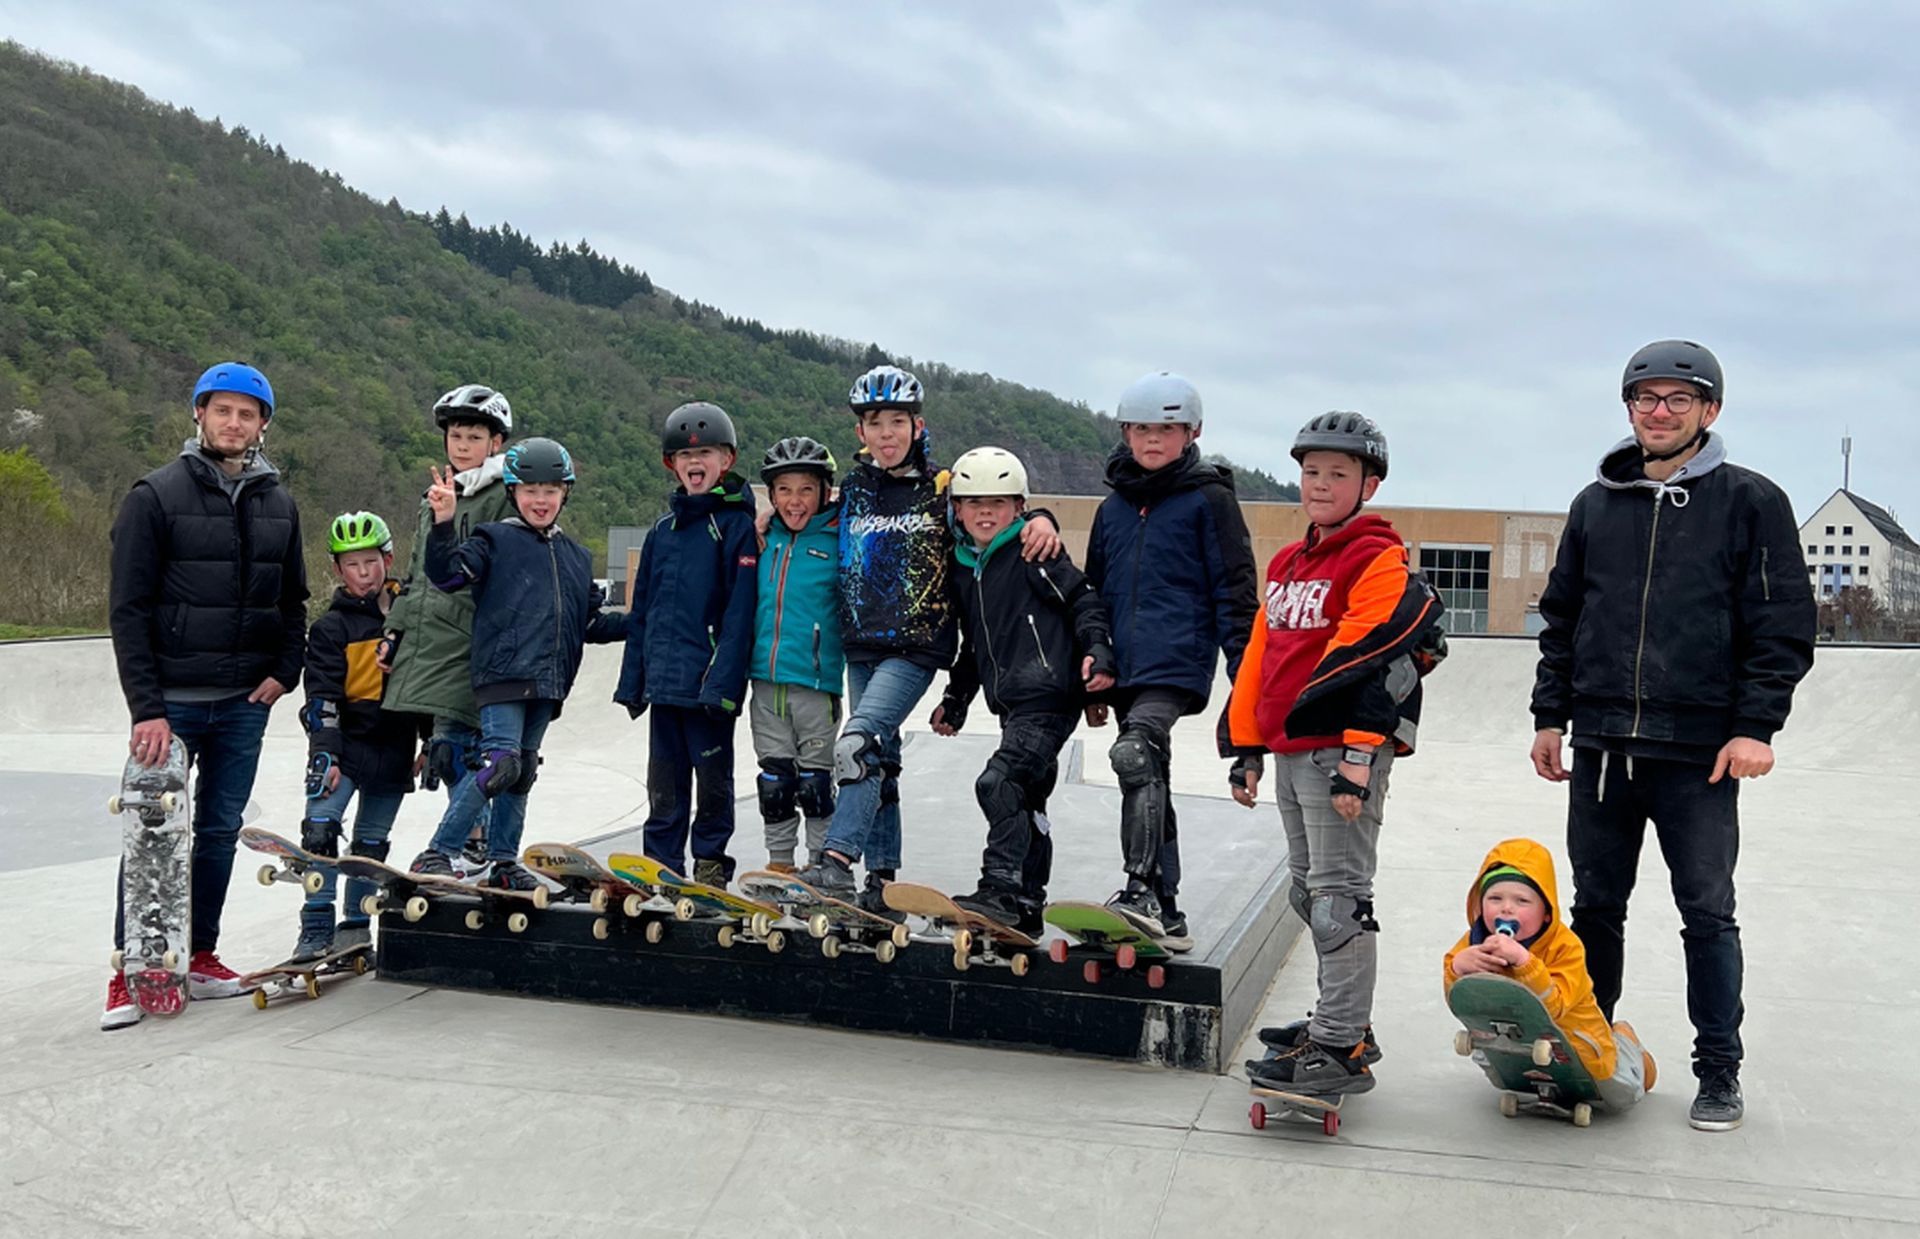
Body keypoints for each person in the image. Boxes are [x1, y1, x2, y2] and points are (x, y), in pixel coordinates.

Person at [1529, 339, 1815, 1132]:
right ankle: (1589, 1053)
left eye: (1677, 399)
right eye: (1646, 399)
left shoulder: (1751, 501)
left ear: (1709, 411)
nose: (1659, 412)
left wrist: (1755, 725)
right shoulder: (1596, 504)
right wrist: (1550, 715)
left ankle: (1718, 1072)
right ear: (1629, 409)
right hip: (1603, 747)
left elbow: (1782, 627)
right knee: (1595, 910)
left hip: (1699, 758)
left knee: (1707, 914)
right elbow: (1562, 620)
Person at [790, 365, 1061, 916]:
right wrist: (768, 517)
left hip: (917, 648)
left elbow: (993, 520)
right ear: (860, 433)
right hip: (861, 645)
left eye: (897, 421)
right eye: (874, 423)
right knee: (878, 764)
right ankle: (881, 880)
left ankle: (836, 864)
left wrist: (1043, 517)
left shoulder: (942, 490)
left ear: (918, 425)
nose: (885, 433)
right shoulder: (856, 489)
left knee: (856, 744)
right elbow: (801, 517)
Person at [1227, 411, 1444, 1095]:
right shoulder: (1289, 562)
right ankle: (1339, 1018)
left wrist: (1358, 756)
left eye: (1338, 474)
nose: (1320, 485)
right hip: (1291, 749)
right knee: (1307, 891)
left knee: (1339, 900)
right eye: (1311, 471)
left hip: (1339, 755)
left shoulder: (1377, 556)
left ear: (1368, 484)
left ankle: (1340, 1044)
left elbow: (1375, 658)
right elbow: (1264, 655)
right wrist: (1247, 745)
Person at [104, 361, 308, 1030]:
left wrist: (286, 669)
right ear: (199, 414)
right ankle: (131, 968)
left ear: (262, 425)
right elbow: (128, 608)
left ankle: (199, 955)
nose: (233, 422)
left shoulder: (280, 502)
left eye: (247, 414)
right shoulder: (154, 496)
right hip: (172, 703)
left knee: (219, 831)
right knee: (153, 835)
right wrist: (148, 706)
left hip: (243, 703)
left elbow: (294, 599)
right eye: (222, 410)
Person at [1082, 371, 1258, 950]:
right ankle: (1168, 906)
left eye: (1166, 429)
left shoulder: (1210, 500)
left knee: (1136, 753)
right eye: (1141, 429)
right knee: (1147, 771)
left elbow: (1236, 595)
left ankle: (1140, 889)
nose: (1152, 440)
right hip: (1122, 666)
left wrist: (1247, 693)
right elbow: (1094, 594)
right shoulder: (1112, 509)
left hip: (1177, 660)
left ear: (1192, 432)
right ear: (1125, 433)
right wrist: (1094, 670)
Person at [407, 437, 624, 886]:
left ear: (565, 493)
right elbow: (447, 575)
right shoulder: (494, 539)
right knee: (501, 764)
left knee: (521, 774)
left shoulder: (577, 558)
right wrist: (444, 523)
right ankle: (437, 852)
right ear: (512, 492)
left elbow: (591, 625)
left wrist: (648, 621)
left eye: (549, 490)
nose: (540, 500)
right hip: (503, 675)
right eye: (529, 490)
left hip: (549, 683)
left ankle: (504, 864)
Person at [930, 447, 1115, 933]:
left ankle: (1000, 889)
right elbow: (975, 643)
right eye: (973, 503)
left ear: (1019, 508)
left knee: (998, 782)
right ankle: (1028, 905)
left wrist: (1098, 653)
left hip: (1049, 695)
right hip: (1013, 704)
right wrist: (956, 699)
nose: (985, 513)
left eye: (998, 503)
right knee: (1029, 803)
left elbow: (1083, 599)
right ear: (957, 510)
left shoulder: (1035, 551)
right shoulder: (966, 565)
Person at [613, 403, 759, 888]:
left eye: (708, 453)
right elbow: (643, 615)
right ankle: (661, 863)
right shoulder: (661, 531)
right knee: (664, 783)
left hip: (707, 686)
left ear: (728, 460)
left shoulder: (734, 527)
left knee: (713, 781)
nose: (695, 462)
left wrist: (723, 684)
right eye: (683, 455)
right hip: (664, 685)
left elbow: (740, 614)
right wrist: (633, 681)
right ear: (670, 464)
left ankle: (712, 861)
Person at [380, 384, 516, 878]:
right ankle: (468, 843)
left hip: (471, 640)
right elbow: (415, 573)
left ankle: (474, 843)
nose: (462, 445)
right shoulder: (436, 494)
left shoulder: (503, 494)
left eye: (474, 436)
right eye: (456, 435)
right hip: (429, 640)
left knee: (469, 748)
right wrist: (394, 631)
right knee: (445, 749)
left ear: (495, 443)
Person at [293, 511, 423, 960]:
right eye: (352, 565)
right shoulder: (330, 628)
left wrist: (430, 740)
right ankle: (314, 928)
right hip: (346, 744)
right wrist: (323, 755)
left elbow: (429, 684)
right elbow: (322, 697)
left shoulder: (410, 620)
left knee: (369, 845)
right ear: (337, 569)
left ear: (388, 559)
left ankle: (354, 927)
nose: (363, 574)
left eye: (370, 562)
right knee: (319, 831)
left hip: (395, 744)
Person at [1444, 838, 1656, 1111]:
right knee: (1505, 1081)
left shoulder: (1565, 947)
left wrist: (1525, 961)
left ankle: (1626, 1043)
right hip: (1519, 1046)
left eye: (1522, 900)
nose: (1506, 908)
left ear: (1546, 912)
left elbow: (1554, 1004)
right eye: (1494, 898)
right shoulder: (1475, 942)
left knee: (1620, 1096)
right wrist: (1456, 969)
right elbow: (1461, 1001)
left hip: (1576, 1039)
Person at [747, 436, 844, 874]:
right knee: (774, 782)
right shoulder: (764, 541)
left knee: (815, 785)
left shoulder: (839, 541)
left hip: (817, 685)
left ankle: (822, 864)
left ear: (825, 491)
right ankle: (780, 866)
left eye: (806, 489)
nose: (794, 500)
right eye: (783, 490)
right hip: (766, 684)